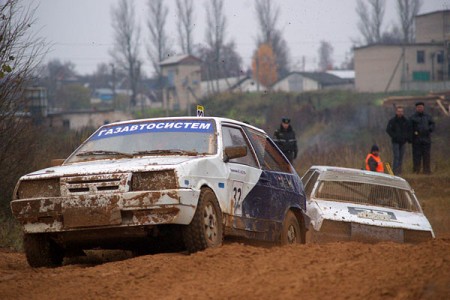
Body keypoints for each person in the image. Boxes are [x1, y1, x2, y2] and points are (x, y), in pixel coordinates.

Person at [410, 102, 435, 174]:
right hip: (416, 140)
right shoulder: (412, 117)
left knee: (426, 156)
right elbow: (410, 128)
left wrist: (429, 129)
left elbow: (432, 124)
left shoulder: (428, 117)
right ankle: (416, 171)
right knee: (416, 156)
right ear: (416, 108)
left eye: (421, 107)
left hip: (426, 140)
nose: (420, 108)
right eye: (418, 107)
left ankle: (426, 171)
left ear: (423, 108)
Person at [386, 106, 410, 175]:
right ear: (396, 112)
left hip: (403, 142)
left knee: (401, 157)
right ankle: (394, 171)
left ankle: (399, 171)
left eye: (401, 111)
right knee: (396, 156)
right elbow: (388, 130)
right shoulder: (392, 121)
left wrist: (406, 138)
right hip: (395, 141)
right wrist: (394, 136)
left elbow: (409, 130)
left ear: (403, 112)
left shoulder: (406, 121)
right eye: (399, 111)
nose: (400, 113)